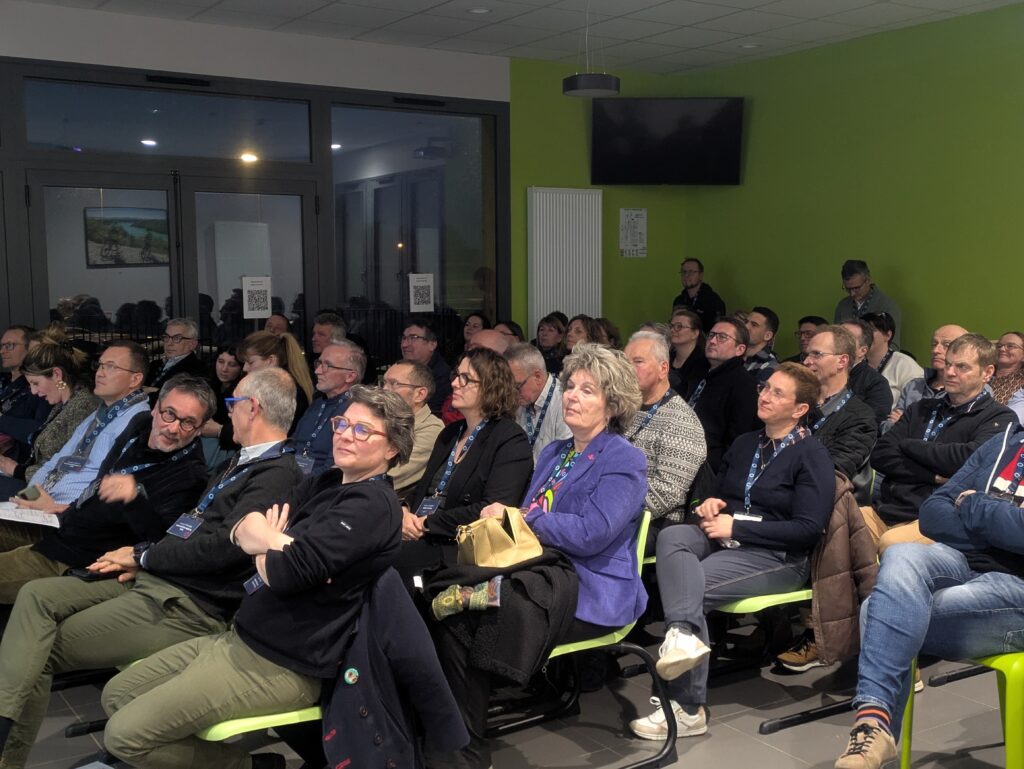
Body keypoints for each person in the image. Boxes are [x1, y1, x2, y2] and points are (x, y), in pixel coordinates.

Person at [0, 368, 304, 769]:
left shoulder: (275, 474)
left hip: (187, 604)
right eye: (168, 414)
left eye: (231, 404)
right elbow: (189, 532)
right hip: (159, 580)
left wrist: (144, 556)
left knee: (35, 652)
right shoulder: (243, 462)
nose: (227, 414)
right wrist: (144, 556)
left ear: (253, 408)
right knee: (35, 605)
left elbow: (222, 549)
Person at [99, 386, 415, 769]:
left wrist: (268, 543)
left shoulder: (372, 506)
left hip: (283, 662)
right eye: (342, 423)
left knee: (124, 735)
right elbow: (244, 526)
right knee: (116, 695)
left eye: (362, 430)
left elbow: (285, 572)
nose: (345, 435)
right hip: (239, 636)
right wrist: (277, 544)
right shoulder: (328, 481)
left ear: (392, 447)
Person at [428, 343, 648, 769]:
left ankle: (464, 753)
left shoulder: (625, 459)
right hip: (538, 571)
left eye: (587, 390)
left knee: (466, 619)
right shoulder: (553, 452)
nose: (572, 396)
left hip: (590, 588)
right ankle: (455, 739)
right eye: (571, 387)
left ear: (612, 404)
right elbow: (529, 525)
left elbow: (591, 534)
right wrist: (518, 519)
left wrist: (525, 518)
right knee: (444, 604)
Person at [630, 363, 834, 741]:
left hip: (777, 556)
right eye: (765, 387)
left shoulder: (811, 455)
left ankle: (688, 707)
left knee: (692, 587)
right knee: (673, 535)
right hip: (724, 537)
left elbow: (807, 529)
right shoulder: (745, 443)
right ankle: (682, 636)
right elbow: (722, 495)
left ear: (800, 409)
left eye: (777, 393)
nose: (764, 396)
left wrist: (736, 528)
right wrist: (710, 504)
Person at [833, 423, 1024, 769]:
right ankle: (874, 723)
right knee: (902, 552)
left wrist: (973, 504)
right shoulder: (1007, 440)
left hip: (1016, 587)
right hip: (967, 561)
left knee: (877, 608)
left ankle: (873, 733)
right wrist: (997, 531)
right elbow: (933, 512)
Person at [0, 374, 213, 602]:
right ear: (155, 408)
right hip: (63, 524)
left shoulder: (191, 476)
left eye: (188, 422)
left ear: (200, 429)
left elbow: (162, 543)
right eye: (169, 413)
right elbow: (100, 480)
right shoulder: (140, 424)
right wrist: (66, 507)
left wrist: (134, 500)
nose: (173, 428)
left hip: (81, 557)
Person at [774, 327, 878, 672]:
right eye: (808, 353)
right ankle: (772, 626)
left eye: (817, 354)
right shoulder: (795, 406)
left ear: (842, 361)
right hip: (779, 498)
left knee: (823, 525)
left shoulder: (860, 416)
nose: (808, 360)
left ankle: (817, 636)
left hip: (829, 507)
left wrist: (779, 482)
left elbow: (833, 473)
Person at [867, 333, 1016, 551]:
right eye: (948, 364)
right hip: (887, 509)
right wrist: (933, 477)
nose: (950, 372)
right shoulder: (921, 408)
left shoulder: (1000, 418)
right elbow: (880, 455)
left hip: (939, 519)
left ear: (987, 373)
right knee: (837, 523)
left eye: (962, 367)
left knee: (891, 543)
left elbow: (967, 462)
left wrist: (908, 445)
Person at [398, 348, 533, 587]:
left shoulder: (510, 439)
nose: (454, 384)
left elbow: (493, 509)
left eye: (465, 379)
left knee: (388, 561)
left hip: (461, 546)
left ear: (490, 387)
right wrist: (405, 511)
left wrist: (427, 524)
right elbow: (426, 488)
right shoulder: (450, 433)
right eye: (456, 376)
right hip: (422, 533)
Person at [11, 341, 150, 509]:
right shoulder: (96, 414)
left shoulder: (138, 422)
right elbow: (55, 462)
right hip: (46, 503)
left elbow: (107, 486)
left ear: (135, 379)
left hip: (67, 513)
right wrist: (24, 499)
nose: (99, 373)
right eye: (100, 365)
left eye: (110, 367)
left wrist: (58, 509)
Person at [623, 331, 706, 531]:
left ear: (663, 369)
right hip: (611, 508)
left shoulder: (681, 422)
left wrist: (610, 506)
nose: (627, 369)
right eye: (625, 363)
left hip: (651, 524)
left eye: (638, 362)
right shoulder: (623, 409)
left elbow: (665, 495)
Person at [0, 341, 100, 500]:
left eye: (35, 383)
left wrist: (18, 470)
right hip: (39, 484)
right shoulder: (63, 405)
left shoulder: (83, 407)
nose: (34, 391)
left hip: (53, 493)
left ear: (57, 374)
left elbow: (77, 465)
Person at [684, 317, 759, 472]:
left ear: (740, 349)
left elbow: (737, 439)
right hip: (680, 445)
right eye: (711, 335)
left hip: (707, 465)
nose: (712, 341)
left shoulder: (744, 385)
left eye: (722, 337)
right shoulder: (697, 370)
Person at [291, 340, 363, 476]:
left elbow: (334, 467)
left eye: (327, 366)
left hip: (318, 484)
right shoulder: (317, 403)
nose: (317, 371)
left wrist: (295, 483)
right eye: (319, 363)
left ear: (350, 376)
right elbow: (293, 444)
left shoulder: (355, 411)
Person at [382, 361, 444, 500]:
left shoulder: (432, 429)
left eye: (394, 383)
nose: (384, 389)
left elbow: (392, 477)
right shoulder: (380, 419)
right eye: (384, 382)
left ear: (420, 394)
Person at [887, 323, 969, 427]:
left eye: (947, 345)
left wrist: (907, 423)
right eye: (934, 344)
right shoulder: (914, 386)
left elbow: (954, 432)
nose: (936, 350)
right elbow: (888, 426)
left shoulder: (970, 390)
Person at [505, 342, 572, 461]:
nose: (512, 393)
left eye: (516, 386)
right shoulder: (519, 400)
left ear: (537, 377)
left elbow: (565, 458)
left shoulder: (566, 402)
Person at [238, 331, 313, 432]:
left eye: (251, 362)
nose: (245, 368)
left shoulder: (282, 391)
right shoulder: (287, 386)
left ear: (271, 360)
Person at [0, 325, 51, 464]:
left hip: (16, 462)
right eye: (2, 346)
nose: (2, 351)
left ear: (31, 348)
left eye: (10, 345)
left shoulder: (40, 389)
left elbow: (42, 431)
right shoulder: (4, 381)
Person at [833, 260, 902, 347]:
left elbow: (893, 345)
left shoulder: (887, 306)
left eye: (857, 288)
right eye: (848, 289)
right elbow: (836, 341)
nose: (852, 293)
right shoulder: (842, 306)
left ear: (868, 280)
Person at [199, 342, 243, 471]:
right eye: (221, 361)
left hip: (227, 452)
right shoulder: (209, 385)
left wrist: (219, 430)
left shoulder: (241, 392)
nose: (224, 369)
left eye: (232, 365)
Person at [862, 312, 923, 405]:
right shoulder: (855, 362)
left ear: (888, 335)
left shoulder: (904, 364)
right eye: (863, 330)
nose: (865, 335)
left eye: (871, 330)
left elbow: (918, 400)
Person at [840, 319, 894, 423]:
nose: (837, 343)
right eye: (835, 337)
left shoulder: (876, 384)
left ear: (862, 351)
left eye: (846, 339)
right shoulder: (818, 373)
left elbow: (868, 425)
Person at [400, 319, 451, 416]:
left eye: (413, 338)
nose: (404, 344)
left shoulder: (442, 376)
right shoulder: (400, 369)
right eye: (404, 338)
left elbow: (433, 412)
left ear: (432, 344)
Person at [145, 318, 207, 394]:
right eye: (166, 337)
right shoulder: (154, 365)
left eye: (177, 338)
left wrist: (152, 391)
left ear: (192, 344)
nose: (169, 343)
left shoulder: (197, 370)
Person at [671, 258, 726, 333]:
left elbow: (718, 330)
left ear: (701, 275)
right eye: (684, 272)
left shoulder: (713, 301)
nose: (686, 275)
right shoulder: (679, 301)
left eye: (691, 272)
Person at [668, 308, 707, 397]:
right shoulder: (666, 357)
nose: (672, 330)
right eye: (671, 326)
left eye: (679, 326)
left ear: (695, 333)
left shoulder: (703, 363)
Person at [742, 306, 780, 384]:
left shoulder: (770, 365)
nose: (746, 326)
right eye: (746, 322)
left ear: (768, 336)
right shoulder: (732, 352)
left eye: (754, 325)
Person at [990, 330, 1024, 404]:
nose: (1002, 349)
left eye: (1010, 346)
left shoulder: (1021, 381)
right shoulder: (983, 373)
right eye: (999, 346)